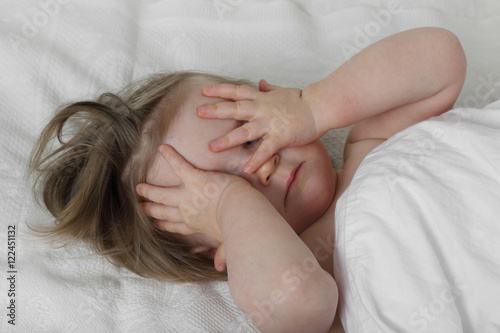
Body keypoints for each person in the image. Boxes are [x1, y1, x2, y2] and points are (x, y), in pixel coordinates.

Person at [30, 27, 466, 332]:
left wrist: (313, 106)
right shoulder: (319, 276)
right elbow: (298, 305)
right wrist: (234, 208)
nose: (261, 167)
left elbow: (441, 59)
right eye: (229, 188)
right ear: (221, 249)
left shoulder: (375, 141)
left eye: (250, 137)